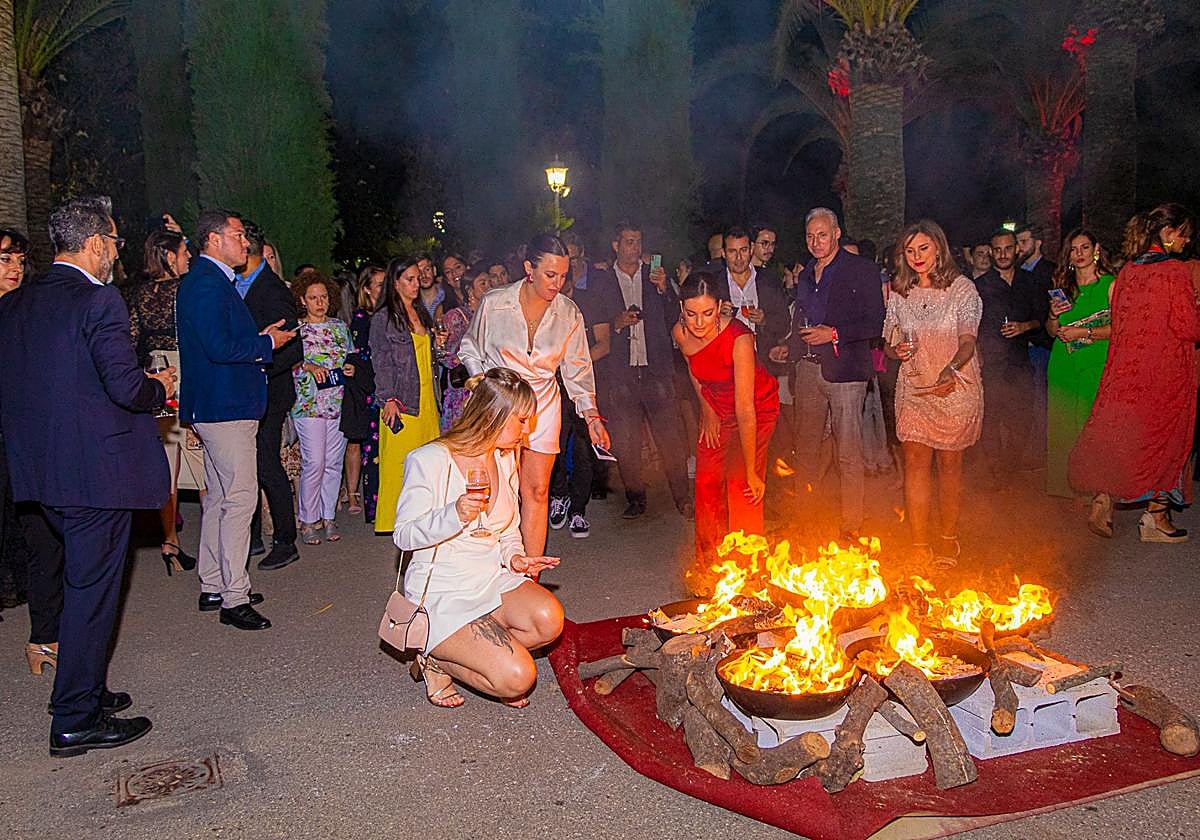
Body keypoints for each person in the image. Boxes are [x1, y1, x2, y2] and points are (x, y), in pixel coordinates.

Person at [0, 196, 174, 755]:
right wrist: (160, 389)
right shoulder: (99, 300)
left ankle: (87, 691)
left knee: (82, 586)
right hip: (96, 475)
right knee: (93, 593)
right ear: (96, 243)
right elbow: (124, 386)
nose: (117, 254)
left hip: (43, 474)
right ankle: (75, 718)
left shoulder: (16, 303)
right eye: (115, 243)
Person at [393, 368, 563, 708]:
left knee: (549, 619)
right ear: (493, 415)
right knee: (518, 678)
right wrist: (453, 514)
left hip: (488, 578)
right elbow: (404, 535)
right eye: (522, 421)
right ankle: (436, 659)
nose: (527, 430)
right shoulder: (430, 459)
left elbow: (508, 528)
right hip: (443, 591)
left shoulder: (504, 458)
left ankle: (482, 652)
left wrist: (515, 557)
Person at [177, 210, 294, 631]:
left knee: (220, 499)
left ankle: (214, 583)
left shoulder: (208, 281)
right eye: (239, 235)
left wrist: (260, 336)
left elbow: (222, 340)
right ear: (214, 239)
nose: (246, 243)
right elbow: (218, 346)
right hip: (226, 406)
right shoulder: (207, 283)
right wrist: (266, 343)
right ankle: (234, 596)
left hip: (219, 405)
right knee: (240, 499)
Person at [459, 234, 610, 558]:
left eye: (563, 276)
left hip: (543, 405)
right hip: (500, 405)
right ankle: (493, 566)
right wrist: (481, 385)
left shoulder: (568, 312)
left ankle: (531, 570)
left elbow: (578, 369)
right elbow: (470, 347)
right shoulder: (495, 302)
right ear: (529, 268)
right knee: (499, 490)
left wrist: (592, 416)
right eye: (550, 275)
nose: (558, 284)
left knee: (538, 491)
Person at [1069, 204, 1199, 542]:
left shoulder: (1128, 270)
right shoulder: (1174, 271)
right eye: (1183, 234)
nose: (1187, 241)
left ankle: (1105, 495)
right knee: (1166, 441)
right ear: (1167, 232)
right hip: (1165, 372)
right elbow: (1188, 326)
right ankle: (1156, 518)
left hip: (1126, 369)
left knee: (1125, 434)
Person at [769, 208, 885, 541]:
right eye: (810, 236)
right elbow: (802, 319)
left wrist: (834, 333)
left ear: (836, 233)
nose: (816, 242)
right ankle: (806, 519)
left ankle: (851, 524)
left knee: (848, 451)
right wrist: (789, 348)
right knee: (806, 449)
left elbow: (876, 322)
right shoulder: (807, 273)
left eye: (822, 235)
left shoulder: (861, 270)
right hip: (808, 368)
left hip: (846, 371)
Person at [882, 220, 983, 567]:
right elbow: (889, 341)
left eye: (923, 248)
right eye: (910, 251)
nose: (917, 257)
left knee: (950, 466)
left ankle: (948, 539)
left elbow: (968, 341)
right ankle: (919, 542)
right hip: (914, 386)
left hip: (954, 385)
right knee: (915, 464)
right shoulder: (900, 291)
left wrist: (951, 368)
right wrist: (896, 350)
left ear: (939, 247)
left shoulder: (961, 289)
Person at [675, 273, 779, 570]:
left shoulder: (739, 339)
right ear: (681, 308)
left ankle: (747, 567)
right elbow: (695, 372)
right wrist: (707, 409)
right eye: (691, 314)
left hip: (756, 408)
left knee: (741, 483)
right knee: (706, 482)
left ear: (720, 306)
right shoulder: (680, 333)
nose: (698, 323)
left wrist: (752, 471)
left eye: (707, 313)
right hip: (716, 406)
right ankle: (710, 566)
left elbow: (745, 410)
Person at [589, 221, 692, 520]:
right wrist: (617, 323)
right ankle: (635, 498)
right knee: (626, 440)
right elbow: (596, 323)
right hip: (621, 372)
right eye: (629, 242)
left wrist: (665, 290)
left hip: (654, 369)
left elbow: (676, 317)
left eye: (638, 241)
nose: (635, 248)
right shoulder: (603, 282)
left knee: (670, 437)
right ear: (616, 245)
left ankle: (683, 497)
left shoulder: (654, 276)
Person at [126, 229, 202, 574]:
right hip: (186, 371)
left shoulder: (139, 294)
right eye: (184, 252)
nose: (189, 257)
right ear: (170, 257)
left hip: (156, 375)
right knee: (204, 464)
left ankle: (170, 541)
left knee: (167, 465)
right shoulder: (186, 290)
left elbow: (130, 341)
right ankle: (215, 550)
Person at [239, 220, 303, 571]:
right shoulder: (234, 283)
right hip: (245, 391)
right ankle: (251, 536)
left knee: (265, 463)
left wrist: (256, 361)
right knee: (246, 465)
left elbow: (292, 350)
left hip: (270, 390)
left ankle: (285, 540)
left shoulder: (274, 289)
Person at [370, 257, 442, 535]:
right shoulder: (384, 318)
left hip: (428, 400)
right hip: (403, 401)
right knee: (399, 464)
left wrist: (438, 345)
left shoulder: (421, 313)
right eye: (409, 279)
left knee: (428, 462)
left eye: (417, 279)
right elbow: (381, 360)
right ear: (395, 282)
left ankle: (424, 518)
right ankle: (397, 523)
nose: (416, 284)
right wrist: (387, 398)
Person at [1044, 229, 1115, 499]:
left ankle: (1094, 490)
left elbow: (1121, 328)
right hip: (1063, 362)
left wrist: (1083, 332)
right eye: (1074, 249)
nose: (1079, 254)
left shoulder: (1110, 285)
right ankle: (1066, 489)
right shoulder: (1064, 287)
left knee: (1089, 426)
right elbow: (1051, 331)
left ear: (1096, 249)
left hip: (1096, 363)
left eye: (1084, 247)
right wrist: (1053, 315)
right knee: (1062, 425)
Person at [973, 228, 1043, 486]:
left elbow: (1042, 318)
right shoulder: (980, 286)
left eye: (1008, 249)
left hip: (1020, 362)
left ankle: (1010, 466)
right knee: (990, 419)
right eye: (998, 250)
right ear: (991, 253)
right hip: (991, 364)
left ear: (1017, 250)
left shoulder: (1029, 281)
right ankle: (996, 471)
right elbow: (969, 325)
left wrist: (1025, 326)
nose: (1003, 254)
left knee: (1022, 419)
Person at [549, 261, 611, 539]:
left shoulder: (586, 305)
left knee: (585, 450)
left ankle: (578, 509)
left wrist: (574, 366)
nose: (559, 289)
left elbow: (604, 345)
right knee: (556, 446)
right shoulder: (546, 309)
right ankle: (559, 495)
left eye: (565, 283)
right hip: (554, 389)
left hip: (587, 385)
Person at [291, 274, 355, 545]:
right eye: (313, 298)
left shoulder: (340, 327)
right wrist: (307, 366)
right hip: (308, 403)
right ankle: (308, 519)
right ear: (303, 300)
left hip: (337, 401)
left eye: (324, 297)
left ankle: (328, 516)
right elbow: (288, 363)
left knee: (333, 463)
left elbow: (351, 356)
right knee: (314, 462)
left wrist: (350, 367)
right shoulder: (297, 330)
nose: (320, 302)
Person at [341, 264, 384, 518]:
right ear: (367, 289)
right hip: (369, 390)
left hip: (385, 387)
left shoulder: (391, 314)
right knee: (370, 449)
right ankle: (372, 503)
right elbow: (359, 357)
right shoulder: (361, 319)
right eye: (379, 284)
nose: (385, 288)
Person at [439, 263, 493, 430]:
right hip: (464, 390)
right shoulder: (456, 316)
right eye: (483, 283)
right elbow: (445, 356)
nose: (489, 286)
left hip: (489, 387)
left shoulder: (494, 315)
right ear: (470, 290)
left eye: (490, 282)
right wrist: (467, 358)